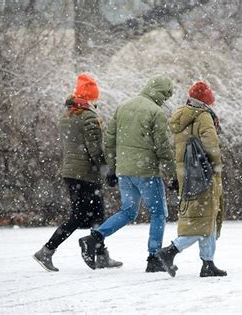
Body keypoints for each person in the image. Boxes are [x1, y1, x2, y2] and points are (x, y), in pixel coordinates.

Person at [78, 76, 177, 272]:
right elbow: (163, 148)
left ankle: (94, 237)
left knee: (128, 211)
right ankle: (154, 257)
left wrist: (113, 168)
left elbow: (109, 140)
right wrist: (173, 174)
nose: (165, 101)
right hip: (146, 171)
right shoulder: (156, 112)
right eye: (165, 96)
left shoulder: (123, 106)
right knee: (158, 213)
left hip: (124, 170)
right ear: (161, 94)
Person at [33, 74, 122, 272]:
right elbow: (95, 149)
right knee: (79, 215)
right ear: (90, 97)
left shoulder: (68, 115)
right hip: (85, 174)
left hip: (72, 172)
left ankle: (101, 255)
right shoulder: (89, 117)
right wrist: (108, 170)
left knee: (98, 213)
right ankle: (47, 250)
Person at [156, 81, 227, 277]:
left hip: (188, 173)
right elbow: (211, 144)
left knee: (205, 216)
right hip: (203, 173)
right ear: (206, 99)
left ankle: (208, 262)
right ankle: (170, 251)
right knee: (202, 218)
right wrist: (216, 166)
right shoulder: (203, 116)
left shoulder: (183, 116)